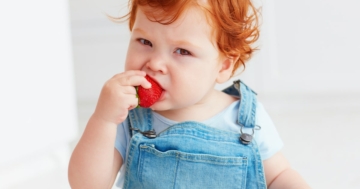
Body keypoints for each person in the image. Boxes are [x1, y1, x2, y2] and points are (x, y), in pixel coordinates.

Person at [68, 0, 311, 188]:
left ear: (224, 66)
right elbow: (86, 185)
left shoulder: (244, 119)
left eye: (182, 51)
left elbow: (278, 176)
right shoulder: (128, 117)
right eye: (145, 41)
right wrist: (103, 119)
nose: (155, 64)